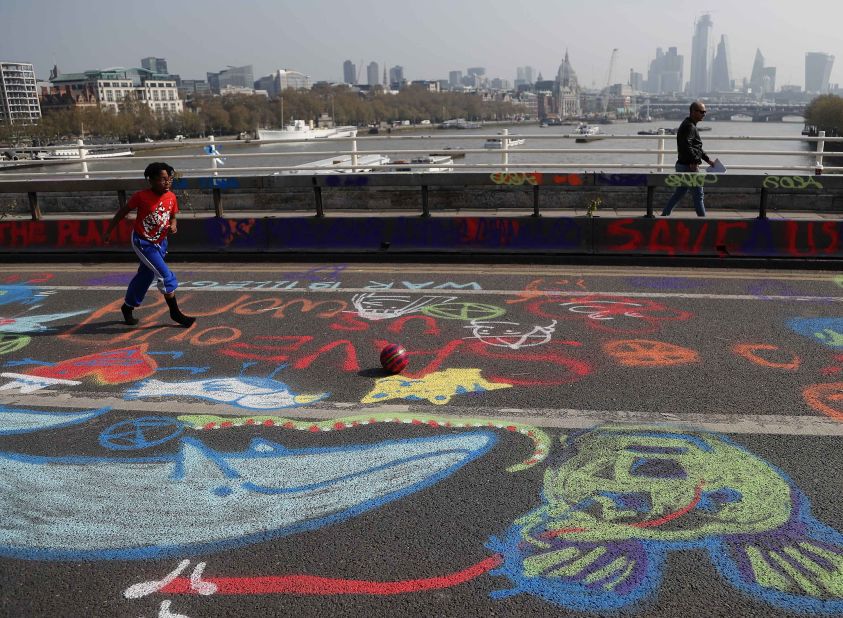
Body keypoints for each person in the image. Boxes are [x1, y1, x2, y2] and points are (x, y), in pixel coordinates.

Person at [104, 161, 195, 328]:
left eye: (169, 179)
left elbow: (172, 216)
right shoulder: (141, 196)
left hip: (161, 242)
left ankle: (128, 306)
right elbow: (123, 212)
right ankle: (175, 313)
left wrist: (173, 225)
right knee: (165, 276)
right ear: (151, 180)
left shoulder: (171, 197)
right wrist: (109, 231)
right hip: (143, 242)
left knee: (145, 276)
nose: (167, 182)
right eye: (162, 179)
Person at [661, 101, 714, 217]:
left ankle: (664, 215)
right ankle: (703, 221)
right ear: (693, 112)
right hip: (688, 166)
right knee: (698, 194)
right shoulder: (690, 126)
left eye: (705, 112)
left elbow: (695, 147)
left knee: (680, 193)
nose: (704, 114)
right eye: (701, 112)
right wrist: (694, 161)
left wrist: (708, 160)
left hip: (682, 164)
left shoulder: (689, 124)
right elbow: (687, 145)